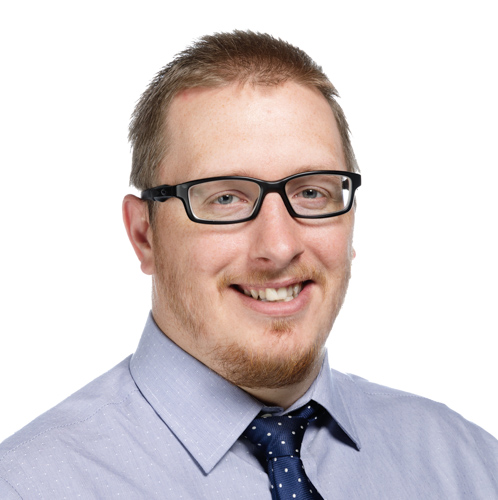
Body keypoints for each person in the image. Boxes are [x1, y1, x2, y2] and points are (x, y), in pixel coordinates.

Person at [0, 31, 496, 499]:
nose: (279, 247)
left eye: (311, 192)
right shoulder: (28, 486)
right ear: (144, 234)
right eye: (225, 198)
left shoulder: (468, 466)